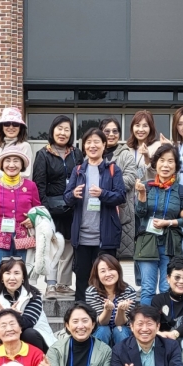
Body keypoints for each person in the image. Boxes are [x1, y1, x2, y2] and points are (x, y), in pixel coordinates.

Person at [65, 128, 126, 302]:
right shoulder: (78, 170)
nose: (92, 146)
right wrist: (73, 194)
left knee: (106, 279)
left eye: (96, 142)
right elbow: (66, 198)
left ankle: (106, 312)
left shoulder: (112, 169)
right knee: (82, 279)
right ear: (84, 146)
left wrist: (102, 193)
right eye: (88, 142)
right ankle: (81, 313)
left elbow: (121, 196)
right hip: (82, 237)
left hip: (105, 237)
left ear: (104, 145)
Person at [134, 143, 183, 304]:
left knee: (168, 288)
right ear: (155, 163)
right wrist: (142, 194)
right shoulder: (146, 186)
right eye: (162, 160)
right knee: (148, 288)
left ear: (176, 166)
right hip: (147, 242)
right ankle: (147, 319)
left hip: (170, 243)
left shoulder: (182, 191)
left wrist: (169, 222)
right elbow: (140, 214)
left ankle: (167, 319)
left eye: (170, 161)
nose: (166, 165)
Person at [33, 115, 82, 298]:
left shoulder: (76, 153)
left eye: (66, 129)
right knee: (52, 245)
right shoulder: (43, 154)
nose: (63, 133)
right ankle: (51, 284)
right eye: (59, 128)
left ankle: (63, 284)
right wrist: (44, 209)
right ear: (52, 131)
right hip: (51, 207)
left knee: (69, 246)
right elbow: (39, 185)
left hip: (72, 206)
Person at [0, 257, 55, 353]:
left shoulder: (34, 296)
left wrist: (7, 315)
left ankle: (36, 361)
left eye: (16, 273)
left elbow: (28, 322)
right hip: (7, 341)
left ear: (23, 277)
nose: (12, 278)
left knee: (28, 333)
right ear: (1, 277)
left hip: (37, 341)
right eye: (7, 273)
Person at [101, 116, 141, 264]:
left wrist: (104, 186)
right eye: (107, 131)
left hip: (120, 213)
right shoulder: (93, 153)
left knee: (114, 262)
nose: (111, 134)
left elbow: (130, 179)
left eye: (115, 131)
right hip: (95, 213)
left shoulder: (126, 154)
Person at [149, 256, 183, 345]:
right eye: (177, 277)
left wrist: (174, 334)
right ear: (168, 278)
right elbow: (152, 322)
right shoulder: (158, 300)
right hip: (163, 341)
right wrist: (159, 334)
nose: (181, 281)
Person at [85, 254, 137, 346]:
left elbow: (121, 323)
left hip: (122, 331)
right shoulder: (92, 292)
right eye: (103, 271)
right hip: (100, 331)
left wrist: (121, 310)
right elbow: (101, 322)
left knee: (120, 330)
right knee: (103, 329)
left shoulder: (129, 291)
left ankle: (124, 355)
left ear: (118, 270)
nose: (108, 274)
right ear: (97, 274)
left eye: (111, 269)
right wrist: (107, 310)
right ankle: (98, 355)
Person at [0, 107, 34, 182]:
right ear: (2, 127)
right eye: (7, 124)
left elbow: (26, 175)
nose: (11, 127)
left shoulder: (25, 146)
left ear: (20, 127)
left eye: (15, 124)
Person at [127, 110, 160, 181]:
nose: (141, 129)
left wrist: (147, 158)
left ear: (150, 128)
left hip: (149, 187)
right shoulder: (128, 149)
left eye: (145, 126)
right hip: (130, 187)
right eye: (137, 125)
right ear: (132, 127)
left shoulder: (157, 147)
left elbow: (159, 173)